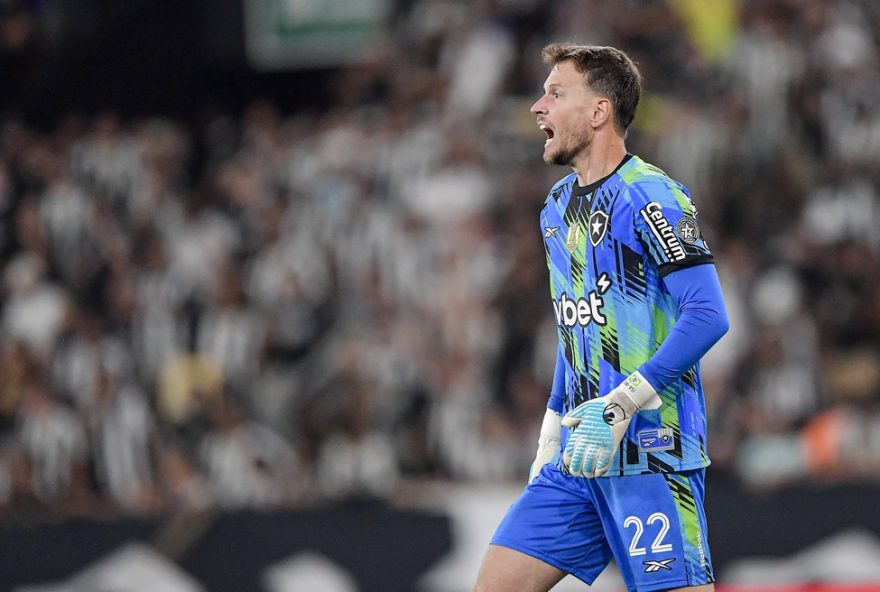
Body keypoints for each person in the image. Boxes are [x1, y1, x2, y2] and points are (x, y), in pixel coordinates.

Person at [474, 43, 729, 592]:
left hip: (649, 453)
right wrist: (548, 433)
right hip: (580, 456)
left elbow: (708, 314)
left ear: (598, 113)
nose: (537, 107)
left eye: (555, 93)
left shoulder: (651, 196)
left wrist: (622, 403)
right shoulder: (555, 208)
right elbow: (577, 331)